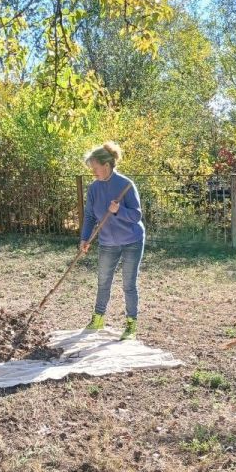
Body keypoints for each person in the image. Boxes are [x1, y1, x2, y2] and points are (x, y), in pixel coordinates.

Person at [80, 141, 145, 341]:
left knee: (128, 284)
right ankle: (98, 318)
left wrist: (119, 211)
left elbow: (136, 216)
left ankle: (131, 323)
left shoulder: (125, 185)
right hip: (108, 241)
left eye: (95, 169)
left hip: (132, 241)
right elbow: (90, 216)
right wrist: (85, 238)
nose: (94, 173)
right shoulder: (93, 189)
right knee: (103, 281)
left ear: (106, 165)